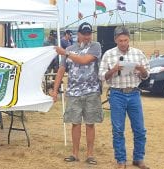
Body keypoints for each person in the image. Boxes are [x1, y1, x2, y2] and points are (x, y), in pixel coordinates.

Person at [51, 22, 103, 165]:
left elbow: (84, 60)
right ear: (78, 34)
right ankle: (74, 153)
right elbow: (61, 70)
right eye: (84, 34)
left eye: (89, 33)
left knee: (90, 123)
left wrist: (66, 53)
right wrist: (55, 90)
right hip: (73, 92)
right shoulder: (69, 48)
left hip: (91, 91)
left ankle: (90, 154)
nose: (87, 36)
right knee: (75, 123)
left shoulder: (95, 46)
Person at [98, 26, 150, 169]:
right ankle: (121, 161)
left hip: (134, 93)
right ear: (115, 40)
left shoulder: (138, 53)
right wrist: (113, 69)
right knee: (118, 130)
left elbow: (147, 75)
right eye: (120, 40)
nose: (123, 43)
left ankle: (138, 159)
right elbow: (101, 76)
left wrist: (141, 69)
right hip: (117, 94)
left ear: (129, 39)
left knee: (139, 129)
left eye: (125, 40)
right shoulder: (108, 54)